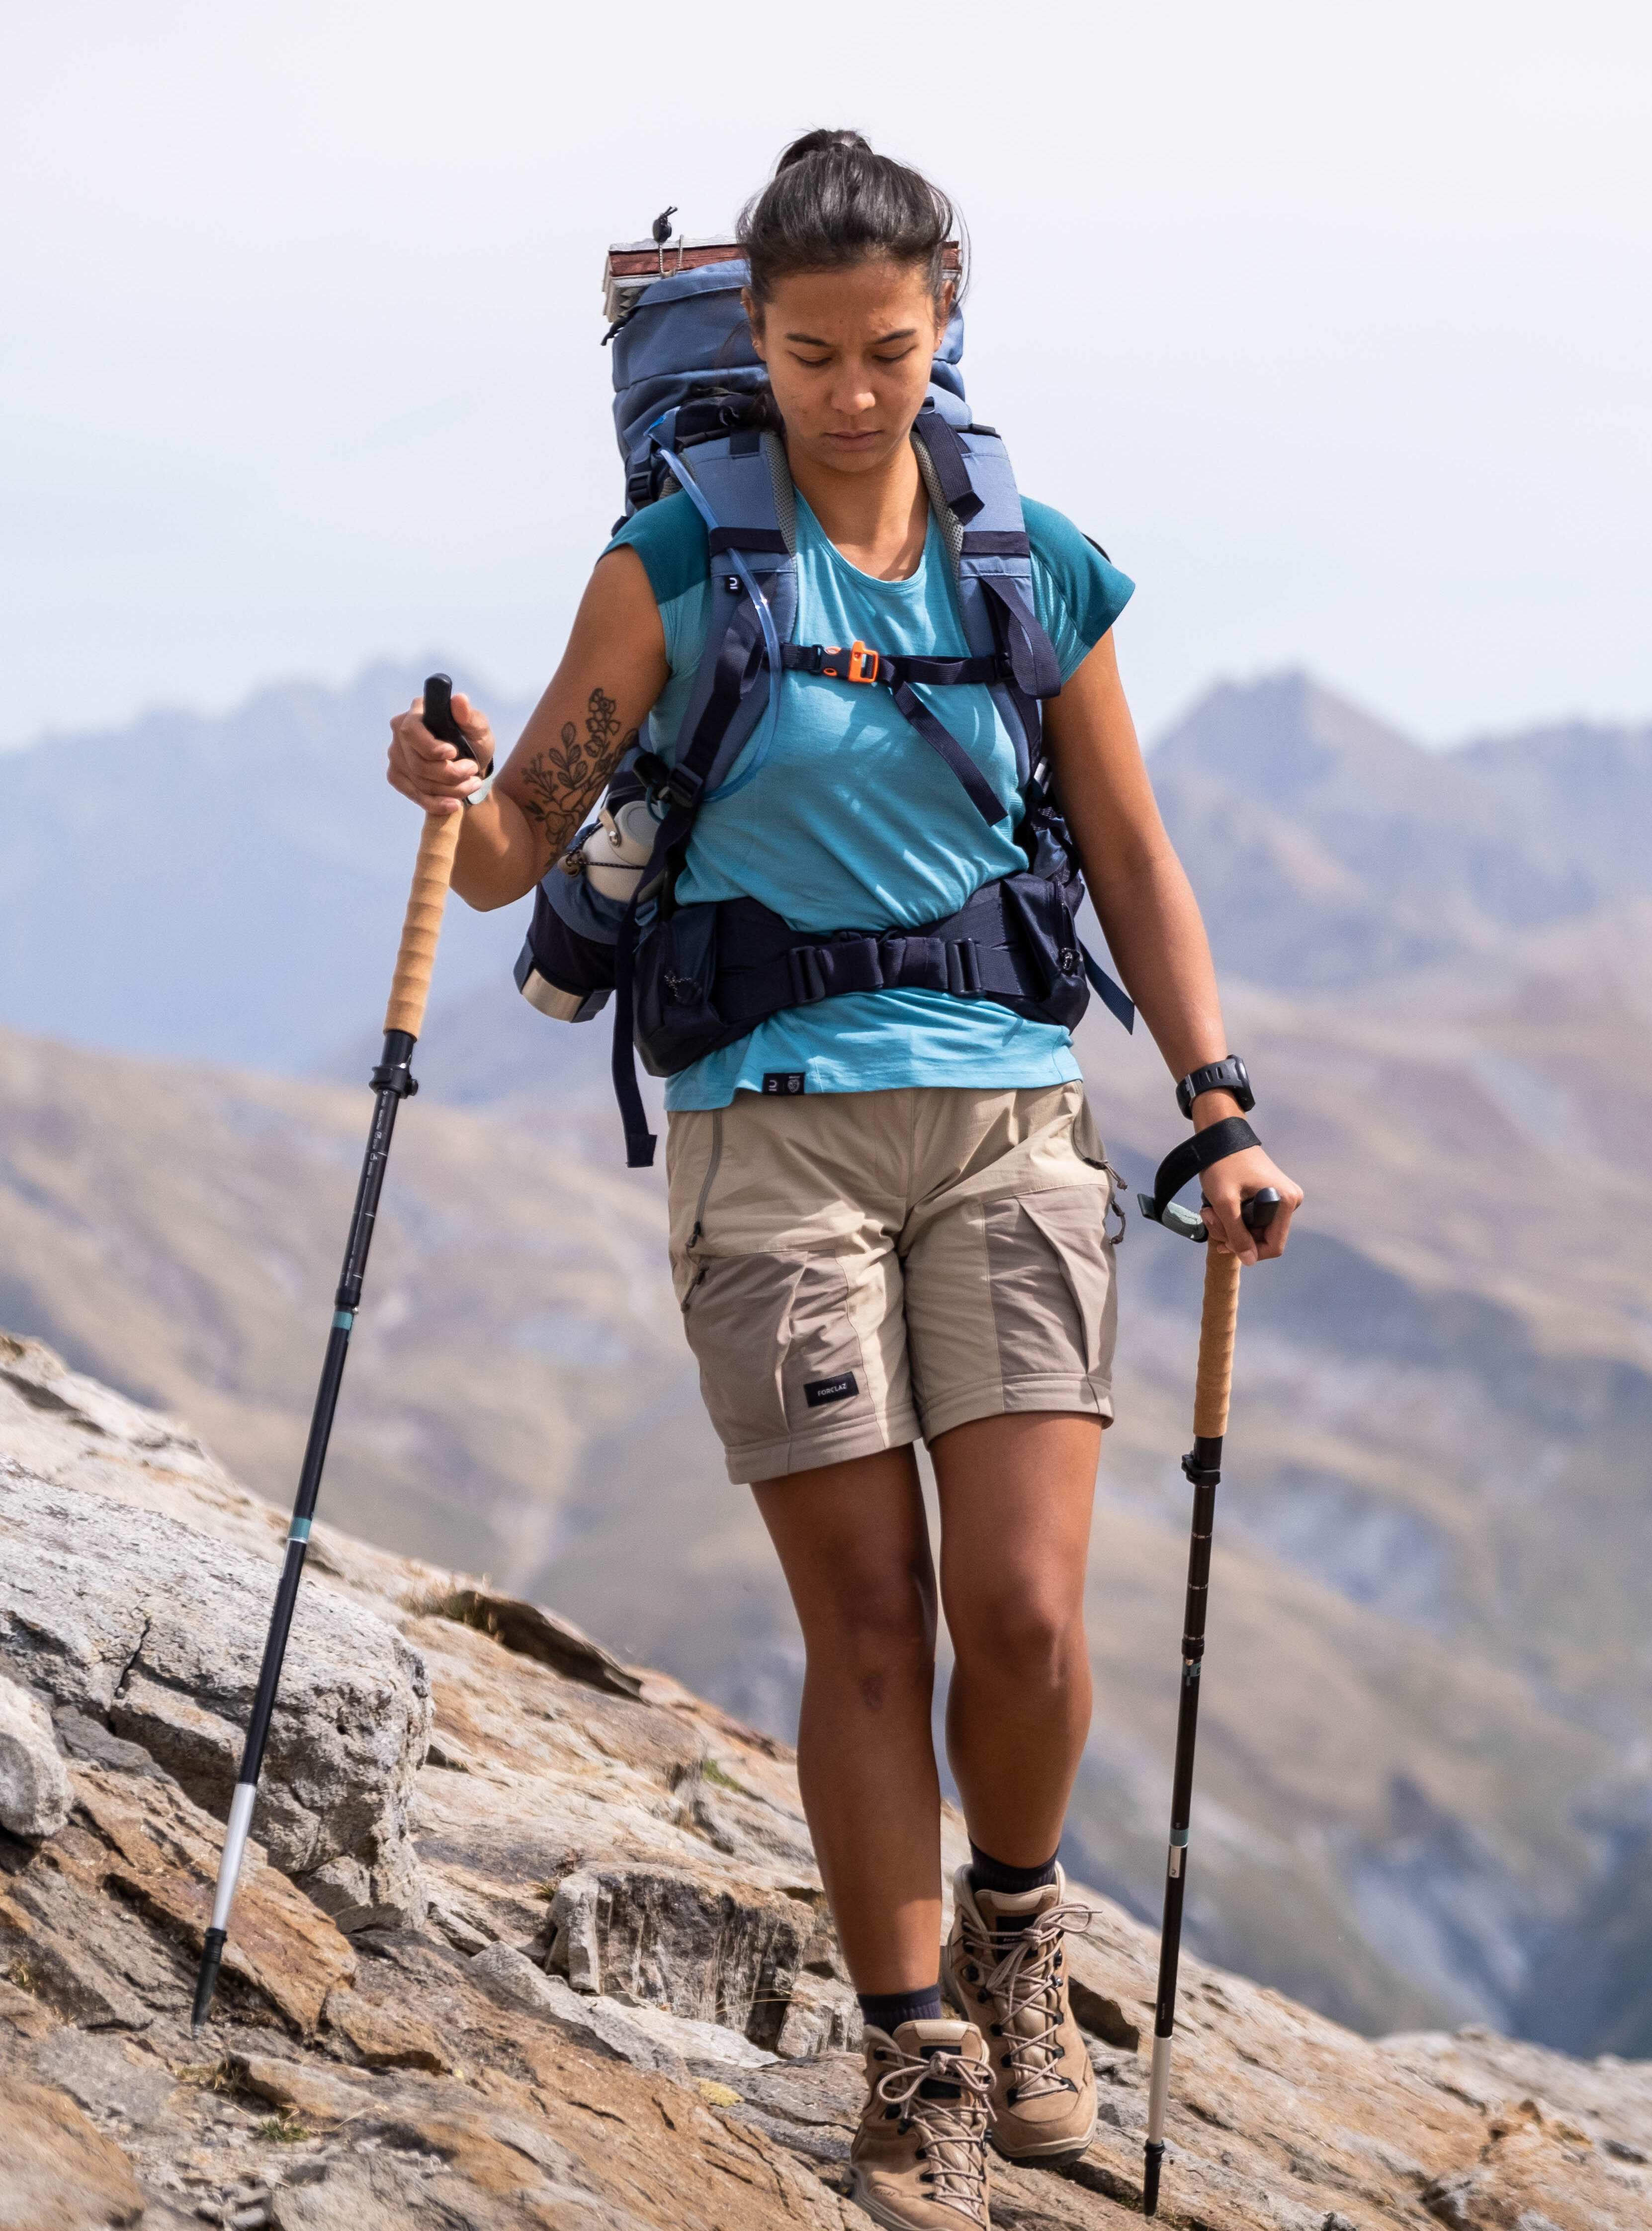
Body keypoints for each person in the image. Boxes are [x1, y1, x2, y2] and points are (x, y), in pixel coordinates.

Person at [387, 129, 1302, 2231]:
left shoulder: (1029, 562)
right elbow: (526, 838)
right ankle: (909, 2062)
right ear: (760, 345)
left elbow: (1133, 855)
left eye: (887, 351)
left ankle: (1012, 1935)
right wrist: (447, 789)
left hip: (1006, 1123)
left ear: (946, 318)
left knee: (1027, 1616)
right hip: (765, 1138)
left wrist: (1220, 1104)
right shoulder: (674, 565)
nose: (851, 395)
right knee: (871, 1624)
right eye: (808, 355)